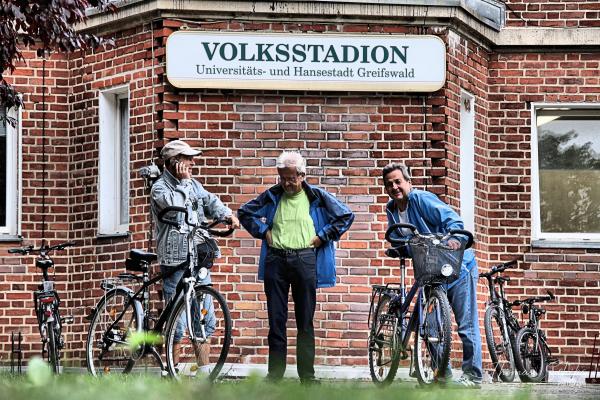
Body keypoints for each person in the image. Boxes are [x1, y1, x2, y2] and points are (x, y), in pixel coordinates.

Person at [238, 151, 354, 384]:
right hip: (276, 261)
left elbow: (345, 216)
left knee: (305, 322)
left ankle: (307, 378)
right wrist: (263, 232)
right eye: (283, 178)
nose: (287, 183)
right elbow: (244, 212)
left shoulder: (317, 196)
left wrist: (323, 236)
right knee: (276, 321)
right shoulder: (272, 195)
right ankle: (275, 376)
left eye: (291, 178)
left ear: (302, 175)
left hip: (305, 259)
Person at [382, 162, 482, 388]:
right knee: (431, 326)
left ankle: (473, 377)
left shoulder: (421, 199)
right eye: (389, 184)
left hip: (457, 265)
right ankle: (441, 376)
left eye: (398, 181)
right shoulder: (391, 209)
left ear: (409, 182)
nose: (395, 187)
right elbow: (402, 240)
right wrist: (397, 249)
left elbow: (453, 221)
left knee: (465, 324)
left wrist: (455, 240)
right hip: (429, 270)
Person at [150, 139, 239, 374]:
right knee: (177, 325)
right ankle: (170, 372)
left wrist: (227, 214)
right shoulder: (160, 188)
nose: (192, 162)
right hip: (175, 259)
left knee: (204, 318)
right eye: (188, 159)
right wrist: (185, 183)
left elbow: (209, 201)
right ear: (174, 163)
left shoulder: (194, 184)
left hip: (197, 256)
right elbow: (177, 211)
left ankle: (204, 374)